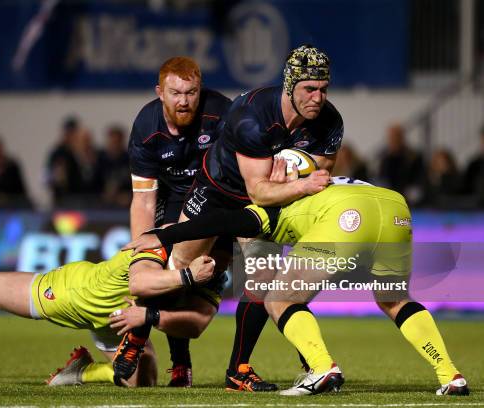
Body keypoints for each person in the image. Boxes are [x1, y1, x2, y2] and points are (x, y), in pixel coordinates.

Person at [124, 160, 470, 397]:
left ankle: (321, 367)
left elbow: (216, 224)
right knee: (393, 299)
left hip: (347, 217)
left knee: (278, 298)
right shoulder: (325, 181)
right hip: (393, 205)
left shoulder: (271, 203)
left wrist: (162, 236)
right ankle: (449, 374)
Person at [159, 44, 342, 392]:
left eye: (323, 89)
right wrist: (300, 184)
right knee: (179, 267)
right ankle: (176, 361)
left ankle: (238, 370)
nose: (317, 97)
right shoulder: (252, 116)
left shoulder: (330, 121)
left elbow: (322, 173)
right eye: (309, 88)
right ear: (289, 84)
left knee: (263, 278)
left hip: (267, 202)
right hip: (218, 192)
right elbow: (260, 190)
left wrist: (299, 183)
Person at [0, 217, 217, 388]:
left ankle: (82, 371)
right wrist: (187, 278)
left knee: (142, 382)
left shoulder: (215, 256)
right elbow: (140, 281)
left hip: (116, 316)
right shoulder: (167, 239)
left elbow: (196, 323)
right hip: (76, 293)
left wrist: (157, 312)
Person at [123, 56, 231, 387]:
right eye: (175, 93)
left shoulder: (222, 115)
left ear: (201, 91)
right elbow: (143, 197)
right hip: (171, 203)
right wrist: (142, 256)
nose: (184, 101)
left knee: (197, 291)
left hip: (218, 202)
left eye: (191, 92)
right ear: (160, 92)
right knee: (163, 273)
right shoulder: (146, 125)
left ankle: (237, 366)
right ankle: (175, 361)